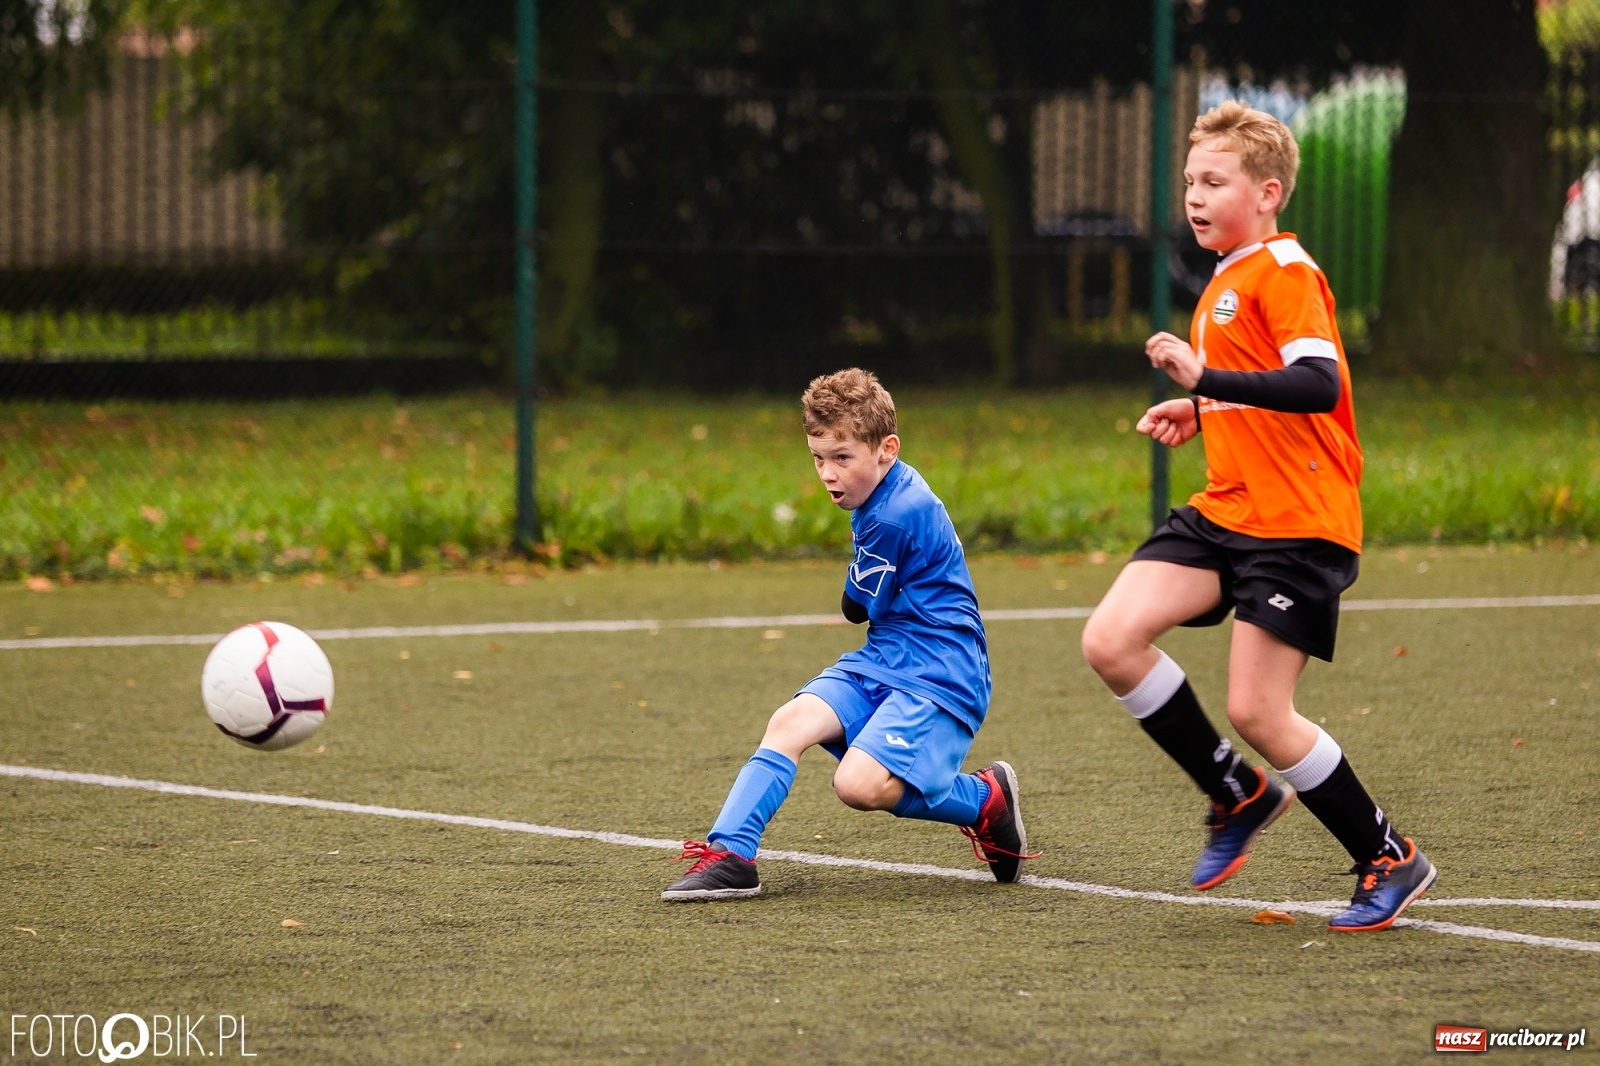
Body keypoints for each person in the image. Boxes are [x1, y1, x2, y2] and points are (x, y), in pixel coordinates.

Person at [1079, 101, 1436, 931]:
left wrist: (1204, 381)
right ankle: (1236, 792)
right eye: (1189, 182)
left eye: (1214, 182)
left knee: (1258, 712)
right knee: (1111, 640)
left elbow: (1318, 385)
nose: (1193, 197)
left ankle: (1389, 855)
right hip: (1228, 512)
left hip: (1297, 523)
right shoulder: (1226, 277)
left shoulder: (1284, 271)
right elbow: (1265, 391)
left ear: (1268, 193)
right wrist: (1204, 412)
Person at [663, 368, 1035, 901]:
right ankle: (732, 854)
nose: (827, 473)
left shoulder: (894, 515)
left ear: (886, 449)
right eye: (818, 458)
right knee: (790, 722)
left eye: (841, 457)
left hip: (941, 671)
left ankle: (984, 801)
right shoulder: (884, 489)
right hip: (887, 655)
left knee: (858, 786)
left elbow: (854, 607)